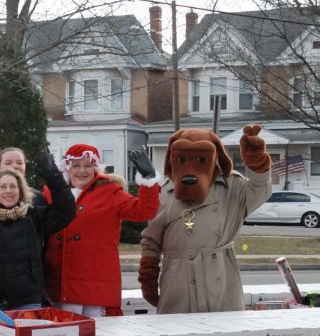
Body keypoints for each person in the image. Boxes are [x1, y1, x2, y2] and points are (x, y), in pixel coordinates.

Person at [139, 125, 271, 313]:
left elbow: (260, 191)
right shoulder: (164, 193)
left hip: (220, 280)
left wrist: (258, 165)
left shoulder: (231, 186)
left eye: (202, 159)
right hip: (178, 282)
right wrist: (148, 279)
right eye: (182, 159)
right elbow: (151, 241)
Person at [44, 144, 161, 318]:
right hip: (59, 282)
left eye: (88, 165)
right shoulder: (49, 194)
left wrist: (148, 180)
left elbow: (144, 211)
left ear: (96, 168)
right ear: (67, 168)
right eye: (76, 165)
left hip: (95, 284)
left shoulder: (109, 192)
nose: (81, 171)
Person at [0, 158, 76, 318]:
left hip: (28, 301)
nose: (8, 191)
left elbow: (66, 211)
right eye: (3, 186)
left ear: (20, 191)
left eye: (13, 186)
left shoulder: (35, 218)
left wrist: (53, 177)